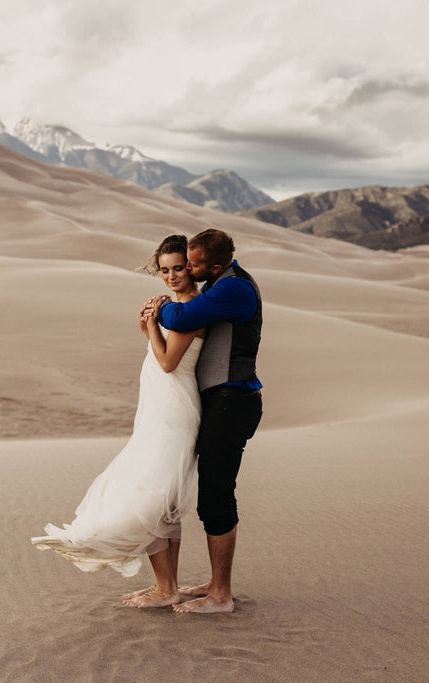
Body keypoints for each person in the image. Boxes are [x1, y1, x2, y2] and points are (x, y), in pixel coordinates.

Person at [31, 235, 205, 609]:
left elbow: (168, 362)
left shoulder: (192, 308)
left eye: (178, 268)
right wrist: (153, 326)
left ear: (191, 267)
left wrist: (150, 330)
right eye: (164, 270)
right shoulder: (178, 305)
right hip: (162, 408)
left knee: (149, 494)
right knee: (163, 498)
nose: (171, 276)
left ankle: (164, 588)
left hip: (173, 411)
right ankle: (168, 586)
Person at [140, 227, 263, 614]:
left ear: (214, 264)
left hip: (233, 400)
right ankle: (214, 583)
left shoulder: (234, 288)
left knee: (216, 496)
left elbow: (184, 314)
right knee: (213, 494)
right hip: (220, 400)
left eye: (193, 265)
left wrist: (157, 310)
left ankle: (221, 595)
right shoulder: (220, 283)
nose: (188, 272)